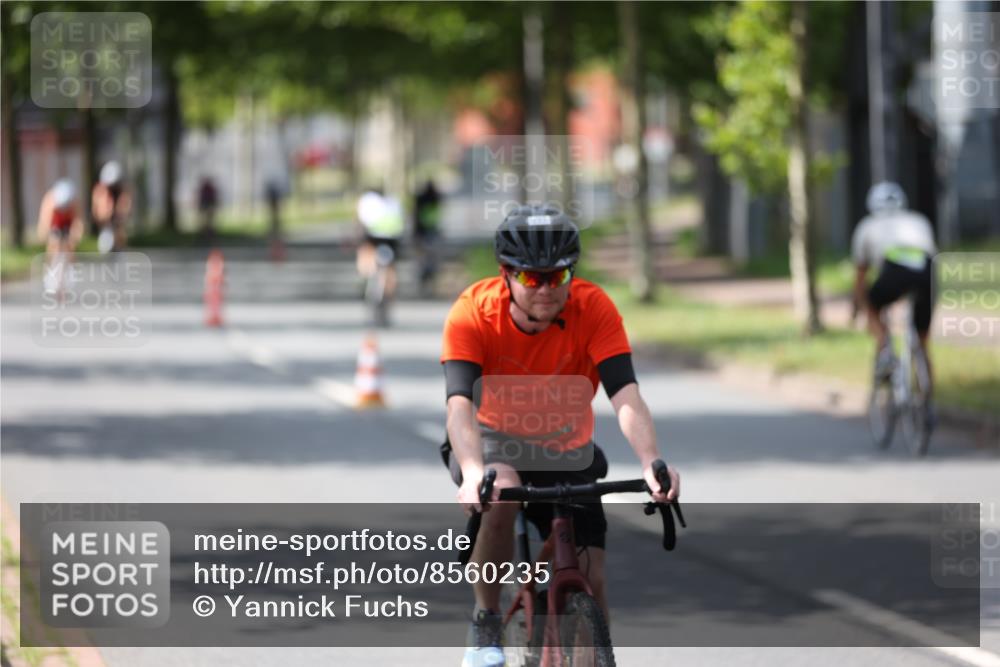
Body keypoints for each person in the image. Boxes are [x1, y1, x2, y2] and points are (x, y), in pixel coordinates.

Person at [440, 204, 681, 667]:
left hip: (567, 450)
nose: (547, 290)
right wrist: (472, 472)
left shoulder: (594, 308)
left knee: (594, 577)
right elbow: (459, 407)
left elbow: (626, 397)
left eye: (559, 277)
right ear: (506, 274)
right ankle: (486, 619)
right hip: (491, 442)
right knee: (502, 489)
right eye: (532, 279)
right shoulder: (472, 312)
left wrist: (653, 461)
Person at [851, 181, 938, 399]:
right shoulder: (919, 220)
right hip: (927, 271)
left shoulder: (867, 225)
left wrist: (860, 308)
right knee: (922, 340)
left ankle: (883, 344)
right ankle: (927, 400)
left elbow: (860, 277)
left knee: (871, 302)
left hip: (894, 271)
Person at [355, 187, 405, 300]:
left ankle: (365, 277)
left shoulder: (367, 200)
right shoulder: (394, 201)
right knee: (391, 266)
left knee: (365, 254)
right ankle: (390, 291)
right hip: (392, 238)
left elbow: (360, 222)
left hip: (374, 237)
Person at [36, 179, 84, 294]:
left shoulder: (74, 202)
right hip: (55, 223)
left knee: (70, 246)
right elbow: (45, 224)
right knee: (53, 245)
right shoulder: (50, 201)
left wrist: (75, 236)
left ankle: (71, 269)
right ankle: (50, 271)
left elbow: (78, 222)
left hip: (68, 223)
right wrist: (47, 237)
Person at [91, 160, 132, 252]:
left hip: (117, 223)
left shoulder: (123, 191)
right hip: (106, 225)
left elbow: (126, 206)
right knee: (106, 245)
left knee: (120, 236)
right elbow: (98, 213)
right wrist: (106, 216)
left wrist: (121, 216)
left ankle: (120, 249)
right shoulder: (100, 190)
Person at [413, 180, 442, 293]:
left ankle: (425, 275)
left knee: (423, 256)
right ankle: (428, 276)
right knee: (431, 257)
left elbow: (415, 216)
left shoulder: (421, 199)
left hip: (423, 232)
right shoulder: (436, 199)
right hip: (432, 232)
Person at [197, 176, 219, 241]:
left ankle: (208, 235)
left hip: (208, 206)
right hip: (206, 206)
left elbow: (213, 199)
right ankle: (206, 235)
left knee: (207, 222)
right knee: (206, 222)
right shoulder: (208, 189)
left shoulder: (207, 189)